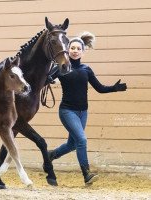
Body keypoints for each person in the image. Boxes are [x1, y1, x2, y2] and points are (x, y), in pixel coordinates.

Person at [46, 32, 127, 185]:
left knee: (73, 144)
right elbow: (45, 79)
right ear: (68, 50)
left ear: (83, 51)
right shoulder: (62, 67)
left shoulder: (86, 69)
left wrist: (115, 88)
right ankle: (87, 174)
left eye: (78, 48)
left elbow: (100, 88)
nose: (75, 50)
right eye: (72, 48)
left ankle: (51, 155)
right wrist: (48, 79)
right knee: (82, 139)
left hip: (83, 112)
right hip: (67, 111)